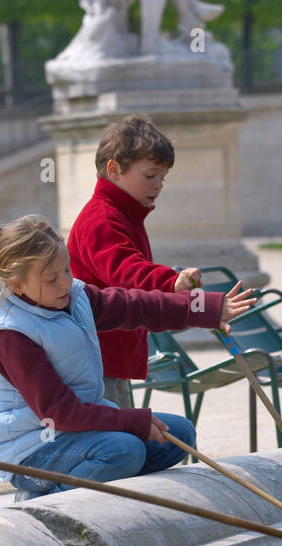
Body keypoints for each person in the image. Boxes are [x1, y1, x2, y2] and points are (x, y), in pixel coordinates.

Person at [0, 215, 256, 501]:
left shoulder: (74, 295)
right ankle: (44, 498)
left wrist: (206, 309)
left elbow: (136, 306)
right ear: (17, 285)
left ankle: (104, 485)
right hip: (31, 451)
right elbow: (60, 413)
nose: (64, 283)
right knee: (124, 452)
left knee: (180, 434)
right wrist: (131, 421)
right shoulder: (11, 333)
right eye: (51, 279)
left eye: (67, 270)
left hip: (77, 433)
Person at [67, 114, 206, 409]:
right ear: (114, 170)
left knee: (125, 437)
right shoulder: (101, 218)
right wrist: (170, 281)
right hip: (94, 358)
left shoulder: (124, 214)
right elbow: (126, 271)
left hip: (110, 356)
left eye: (162, 178)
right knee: (114, 443)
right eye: (150, 175)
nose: (159, 185)